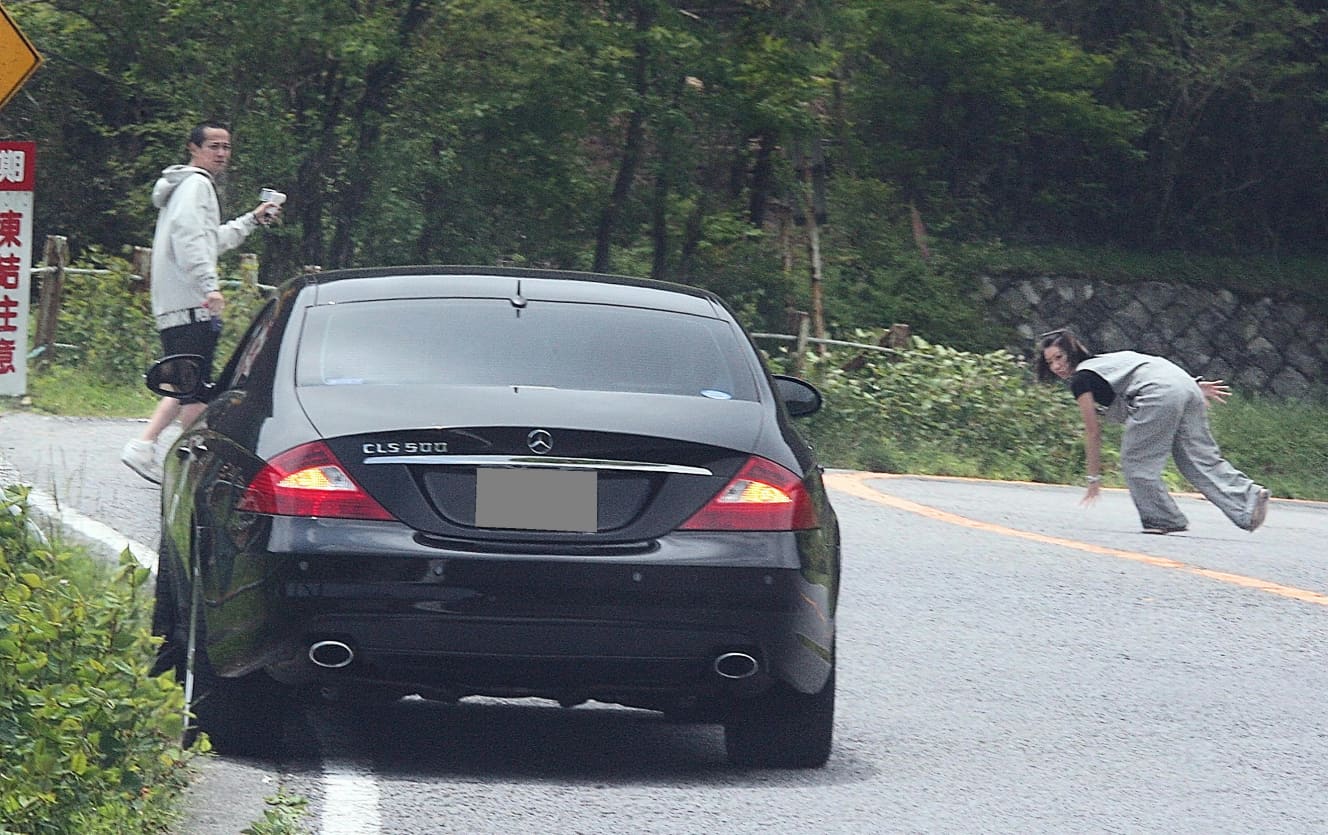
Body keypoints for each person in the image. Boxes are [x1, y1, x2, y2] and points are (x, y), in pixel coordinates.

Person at [121, 121, 280, 483]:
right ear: (193, 148)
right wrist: (209, 287)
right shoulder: (196, 186)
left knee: (190, 386)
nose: (222, 153)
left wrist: (252, 220)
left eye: (226, 147)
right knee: (192, 386)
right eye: (214, 146)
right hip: (191, 303)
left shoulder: (186, 187)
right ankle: (174, 459)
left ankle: (172, 456)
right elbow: (191, 241)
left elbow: (211, 241)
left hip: (180, 302)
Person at [1035, 328, 1270, 534]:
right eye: (1050, 362)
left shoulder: (1081, 379)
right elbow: (1150, 368)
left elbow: (1093, 432)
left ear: (1072, 353)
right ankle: (1248, 499)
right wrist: (1192, 385)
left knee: (1136, 463)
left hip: (1160, 393)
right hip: (1183, 384)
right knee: (1200, 459)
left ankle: (1163, 518)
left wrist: (1093, 479)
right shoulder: (1109, 360)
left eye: (1060, 357)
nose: (1056, 366)